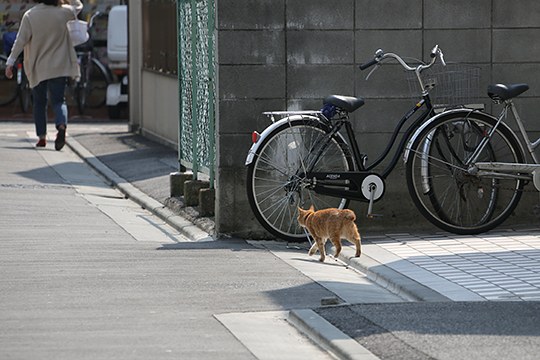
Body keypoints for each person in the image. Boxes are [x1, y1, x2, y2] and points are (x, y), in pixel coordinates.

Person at [4, 0, 83, 150]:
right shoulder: (64, 12)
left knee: (39, 102)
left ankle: (41, 137)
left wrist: (10, 62)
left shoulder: (30, 15)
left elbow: (20, 40)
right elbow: (79, 6)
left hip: (38, 66)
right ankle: (61, 126)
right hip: (60, 65)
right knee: (59, 101)